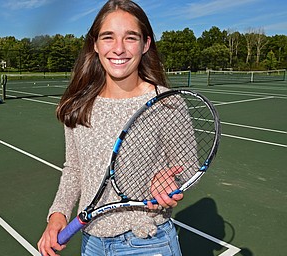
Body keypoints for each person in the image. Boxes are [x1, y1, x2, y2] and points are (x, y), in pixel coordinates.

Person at [38, 0, 184, 255]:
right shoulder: (78, 105)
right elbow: (74, 169)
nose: (118, 49)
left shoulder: (168, 103)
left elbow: (189, 168)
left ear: (145, 44)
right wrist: (58, 214)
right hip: (92, 242)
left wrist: (172, 180)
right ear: (95, 44)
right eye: (108, 37)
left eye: (130, 38)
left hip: (148, 242)